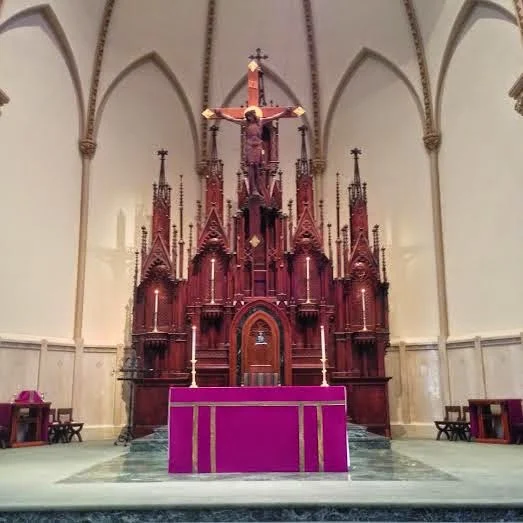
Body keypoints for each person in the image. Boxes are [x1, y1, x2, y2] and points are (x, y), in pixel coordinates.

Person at [215, 105, 293, 195]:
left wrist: (285, 112)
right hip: (250, 147)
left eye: (251, 116)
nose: (249, 118)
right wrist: (221, 114)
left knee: (257, 166)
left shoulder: (260, 122)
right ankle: (253, 188)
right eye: (248, 116)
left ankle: (258, 187)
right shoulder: (246, 123)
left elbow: (273, 117)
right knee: (251, 166)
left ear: (254, 115)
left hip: (258, 147)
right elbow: (232, 119)